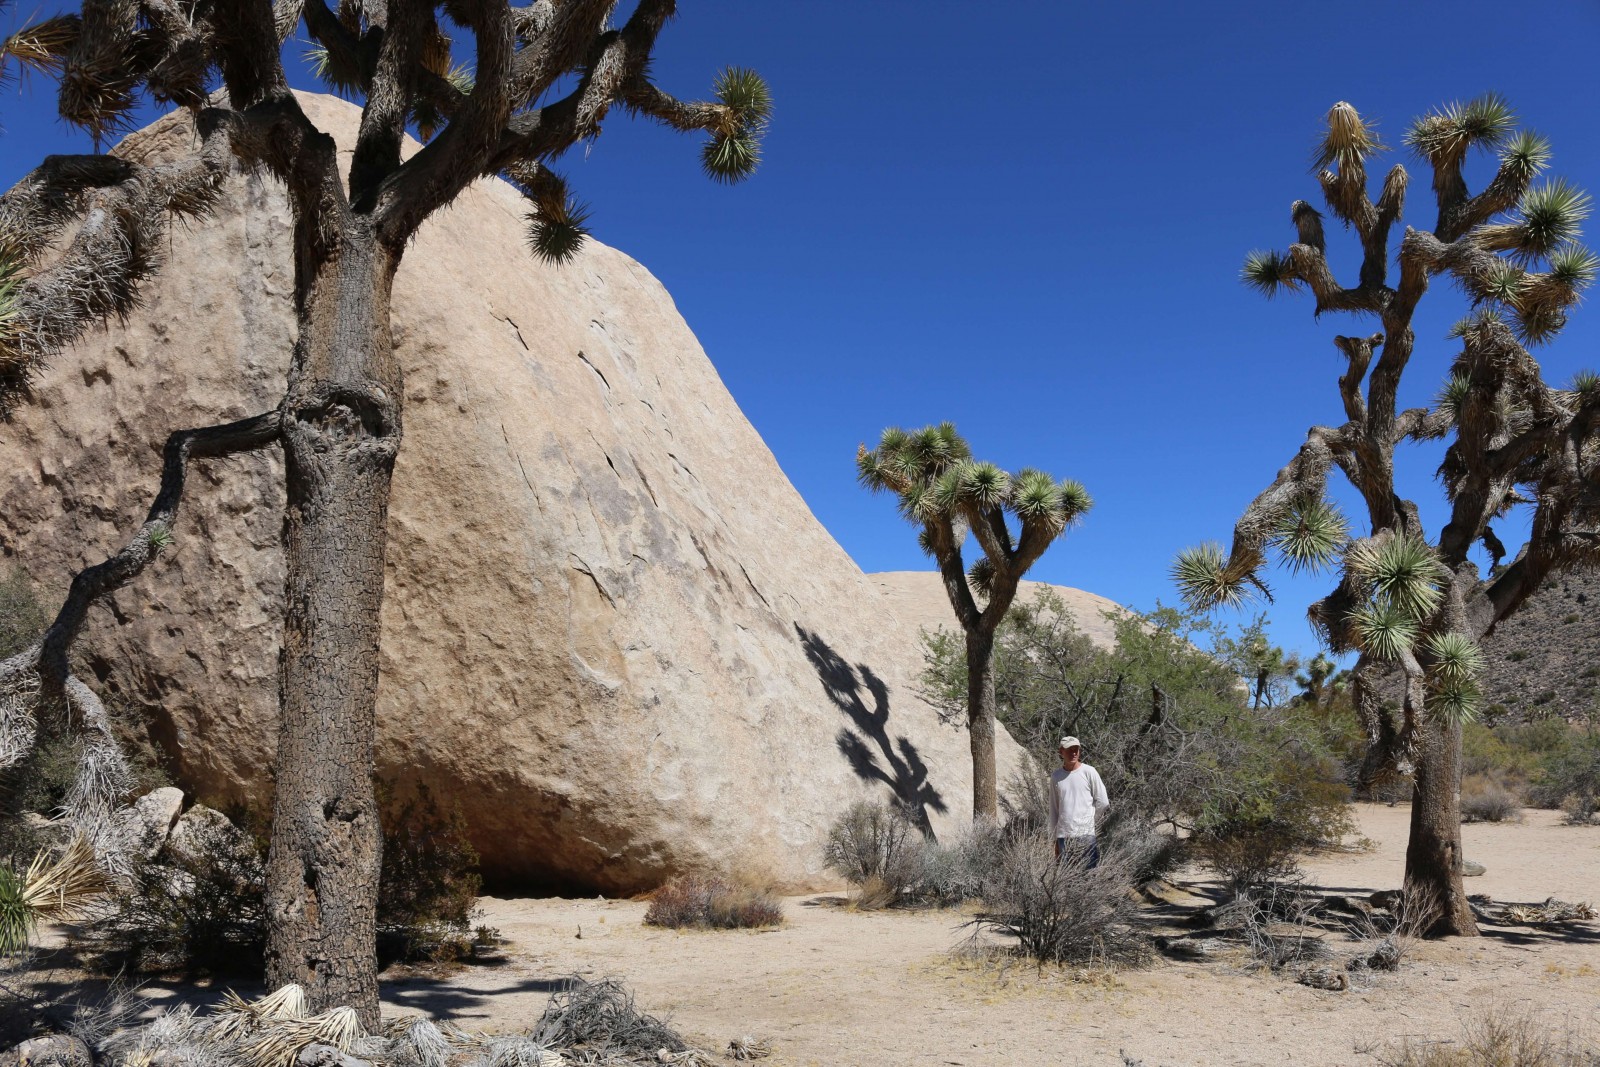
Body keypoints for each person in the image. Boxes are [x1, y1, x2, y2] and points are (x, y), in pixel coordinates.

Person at [1049, 735, 1109, 867]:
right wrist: (1054, 840)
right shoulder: (1056, 777)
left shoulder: (1089, 772)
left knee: (1088, 876)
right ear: (1061, 752)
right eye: (1069, 749)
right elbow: (1054, 809)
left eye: (1076, 749)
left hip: (1085, 834)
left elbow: (1103, 801)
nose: (1074, 753)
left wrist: (1090, 821)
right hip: (1064, 836)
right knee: (1066, 878)